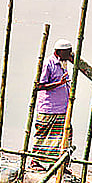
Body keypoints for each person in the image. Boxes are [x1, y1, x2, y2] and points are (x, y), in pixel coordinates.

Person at [32, 39, 74, 167]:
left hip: (62, 108)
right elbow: (39, 85)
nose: (70, 55)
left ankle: (58, 163)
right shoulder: (48, 64)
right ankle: (36, 161)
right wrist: (58, 84)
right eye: (67, 53)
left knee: (63, 136)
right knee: (42, 135)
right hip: (49, 108)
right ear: (58, 52)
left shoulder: (64, 63)